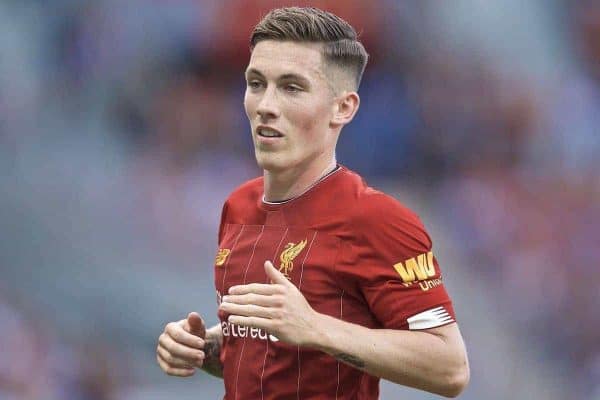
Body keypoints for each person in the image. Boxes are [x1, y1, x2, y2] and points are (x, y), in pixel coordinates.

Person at [156, 7, 469, 399]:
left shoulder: (377, 220)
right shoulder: (238, 207)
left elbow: (450, 366)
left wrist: (316, 328)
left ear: (343, 108)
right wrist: (205, 348)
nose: (266, 105)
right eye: (256, 83)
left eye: (291, 87)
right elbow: (270, 349)